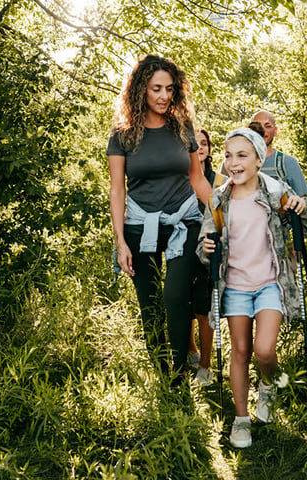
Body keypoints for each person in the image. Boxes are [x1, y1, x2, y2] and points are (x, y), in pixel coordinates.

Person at [197, 127, 307, 448]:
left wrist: (300, 205)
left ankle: (267, 385)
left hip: (269, 282)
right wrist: (207, 248)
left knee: (264, 350)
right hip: (235, 286)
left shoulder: (275, 192)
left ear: (258, 159)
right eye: (227, 155)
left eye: (242, 155)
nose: (233, 163)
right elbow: (203, 243)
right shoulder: (219, 199)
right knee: (240, 351)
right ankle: (240, 420)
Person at [107, 54, 212, 387]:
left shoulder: (182, 128)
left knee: (175, 296)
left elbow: (198, 181)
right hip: (139, 225)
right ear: (141, 90)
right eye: (156, 89)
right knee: (149, 303)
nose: (164, 96)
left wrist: (228, 214)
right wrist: (120, 241)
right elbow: (116, 190)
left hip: (184, 220)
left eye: (169, 89)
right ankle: (163, 375)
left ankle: (181, 371)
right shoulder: (122, 134)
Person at [187, 128, 216, 385]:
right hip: (183, 245)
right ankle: (191, 350)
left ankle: (206, 367)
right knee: (184, 303)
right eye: (194, 143)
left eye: (204, 143)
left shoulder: (219, 180)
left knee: (204, 306)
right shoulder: (180, 179)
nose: (200, 147)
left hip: (208, 248)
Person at [249, 110, 307, 196]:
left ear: (275, 131)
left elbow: (305, 203)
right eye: (257, 126)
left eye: (268, 126)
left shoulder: (288, 163)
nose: (262, 131)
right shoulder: (233, 163)